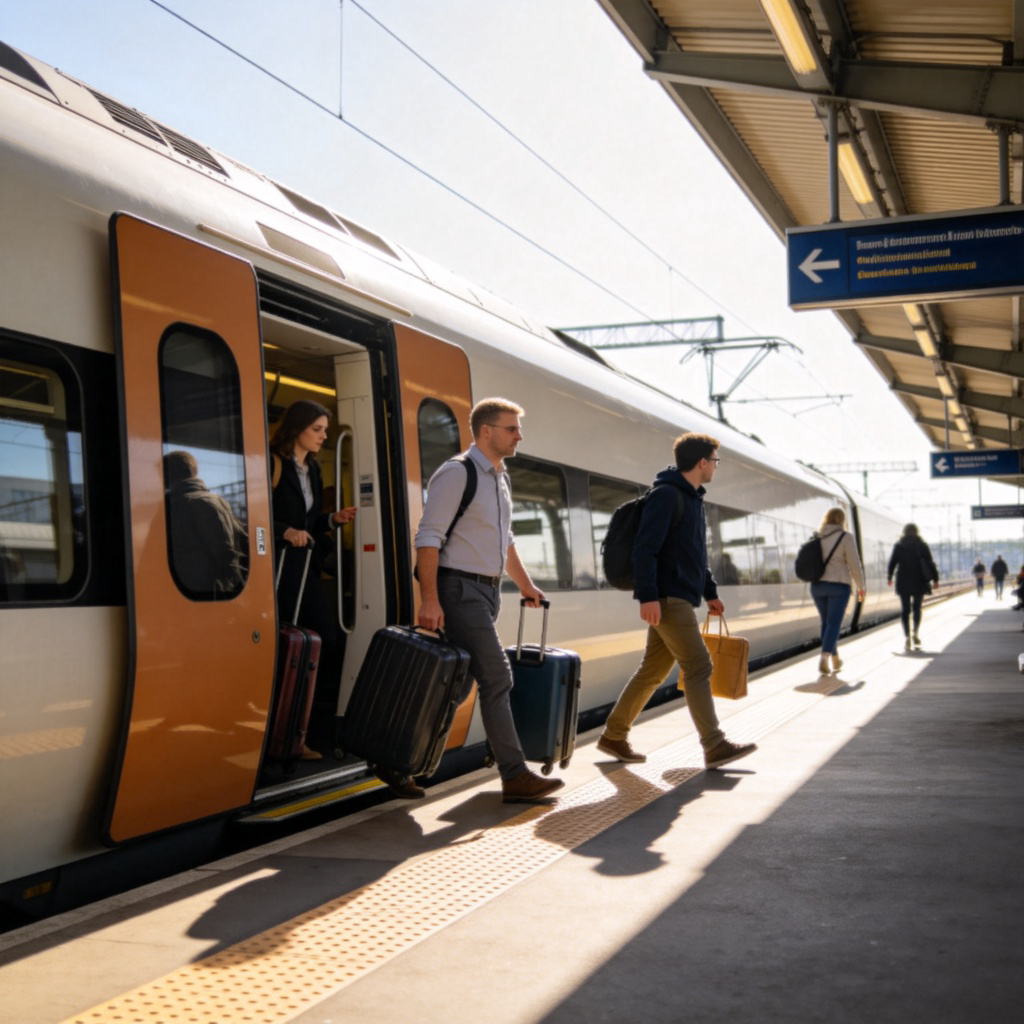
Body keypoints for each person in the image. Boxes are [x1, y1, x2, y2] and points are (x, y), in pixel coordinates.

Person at [412, 397, 564, 804]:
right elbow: (428, 538)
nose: (519, 435)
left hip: (487, 592)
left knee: (457, 687)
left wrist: (526, 585)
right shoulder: (457, 473)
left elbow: (505, 540)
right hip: (458, 590)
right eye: (512, 428)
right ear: (486, 432)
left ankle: (399, 760)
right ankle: (514, 774)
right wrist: (430, 599)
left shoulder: (501, 476)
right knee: (498, 677)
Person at [596, 432, 757, 770]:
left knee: (652, 671)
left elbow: (696, 555)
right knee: (699, 666)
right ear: (701, 462)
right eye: (715, 461)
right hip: (668, 598)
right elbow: (645, 548)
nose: (716, 467)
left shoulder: (692, 499)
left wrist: (710, 592)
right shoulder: (667, 496)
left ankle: (614, 735)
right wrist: (648, 596)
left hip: (679, 595)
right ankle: (714, 745)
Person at [270, 400, 357, 759]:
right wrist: (284, 531)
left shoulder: (314, 469)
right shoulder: (272, 462)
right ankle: (276, 735)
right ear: (298, 428)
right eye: (317, 429)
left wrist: (331, 520)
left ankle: (296, 734)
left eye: (325, 430)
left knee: (325, 639)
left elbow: (308, 524)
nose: (324, 436)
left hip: (302, 569)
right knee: (281, 649)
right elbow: (250, 512)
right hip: (277, 571)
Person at [163, 450, 247, 598]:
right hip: (202, 591)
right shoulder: (213, 501)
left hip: (200, 591)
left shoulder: (185, 504)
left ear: (173, 472)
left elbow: (224, 553)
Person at [810, 507, 865, 675]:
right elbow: (854, 565)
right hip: (838, 585)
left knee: (826, 623)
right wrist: (861, 587)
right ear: (842, 520)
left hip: (818, 586)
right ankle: (824, 657)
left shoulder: (817, 537)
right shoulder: (846, 537)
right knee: (834, 623)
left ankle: (834, 658)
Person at [886, 523, 938, 650]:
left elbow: (892, 563)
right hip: (919, 581)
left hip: (903, 581)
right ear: (917, 532)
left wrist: (889, 577)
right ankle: (915, 632)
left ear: (904, 532)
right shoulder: (922, 545)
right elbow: (930, 563)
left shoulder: (899, 546)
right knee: (917, 608)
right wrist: (936, 579)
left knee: (905, 610)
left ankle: (907, 637)